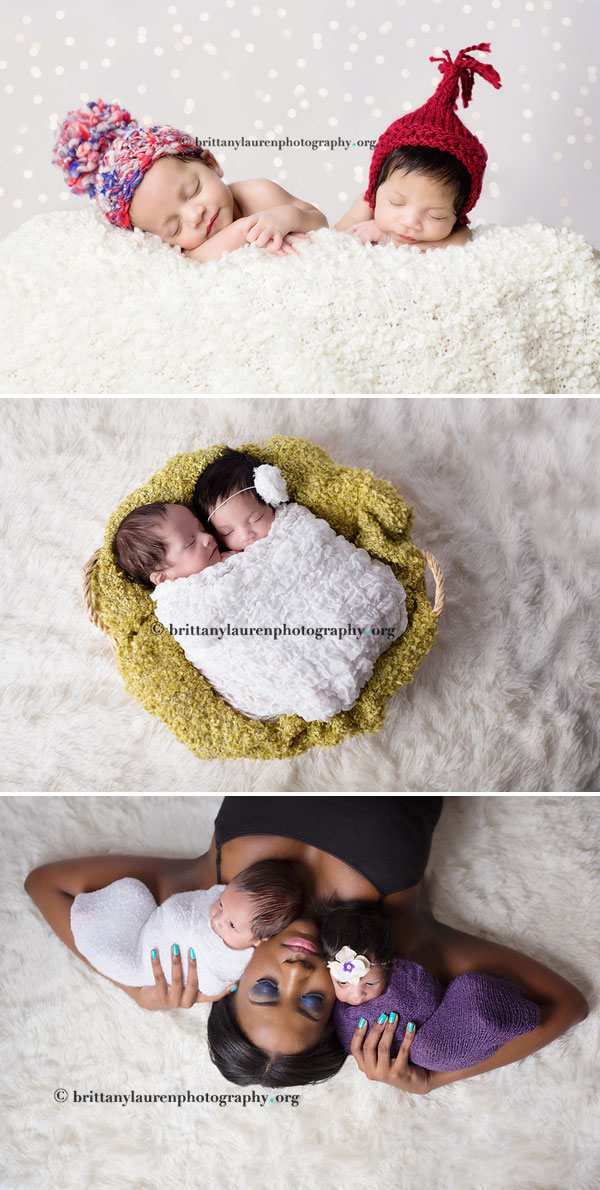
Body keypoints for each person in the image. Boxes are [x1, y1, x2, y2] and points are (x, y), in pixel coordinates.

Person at [24, 797, 587, 1092]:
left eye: (268, 989)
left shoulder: (211, 895)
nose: (297, 972)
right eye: (313, 1002)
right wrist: (430, 1080)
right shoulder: (396, 945)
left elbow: (46, 884)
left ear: (233, 983)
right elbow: (565, 1005)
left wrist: (137, 984)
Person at [112, 453, 408, 722]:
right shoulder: (184, 603)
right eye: (190, 542)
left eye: (204, 530)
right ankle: (320, 678)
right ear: (163, 578)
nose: (208, 539)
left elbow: (285, 572)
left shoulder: (236, 552)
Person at [53, 98, 326, 262]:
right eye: (174, 227)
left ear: (211, 164)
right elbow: (196, 261)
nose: (195, 215)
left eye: (193, 190)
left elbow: (320, 220)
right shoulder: (186, 252)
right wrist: (245, 230)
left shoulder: (257, 193)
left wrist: (286, 217)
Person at [320, 899, 541, 1073]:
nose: (357, 994)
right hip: (417, 1052)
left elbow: (428, 999)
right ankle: (492, 1018)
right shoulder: (336, 1013)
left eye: (370, 983)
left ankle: (498, 1009)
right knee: (431, 1053)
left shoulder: (405, 976)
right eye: (342, 982)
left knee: (438, 1039)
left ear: (390, 966)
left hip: (443, 1018)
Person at [335, 42, 501, 252]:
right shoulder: (368, 202)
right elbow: (336, 237)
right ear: (376, 188)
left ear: (458, 212)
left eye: (435, 215)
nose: (410, 222)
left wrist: (390, 240)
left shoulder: (457, 230)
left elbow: (462, 241)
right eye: (396, 203)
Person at [70, 859, 303, 994]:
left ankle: (97, 933)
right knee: (133, 891)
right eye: (221, 903)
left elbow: (212, 985)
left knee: (115, 957)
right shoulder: (226, 901)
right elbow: (189, 903)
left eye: (232, 925)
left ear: (258, 940)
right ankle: (99, 917)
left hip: (145, 961)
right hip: (152, 926)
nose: (218, 919)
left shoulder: (234, 960)